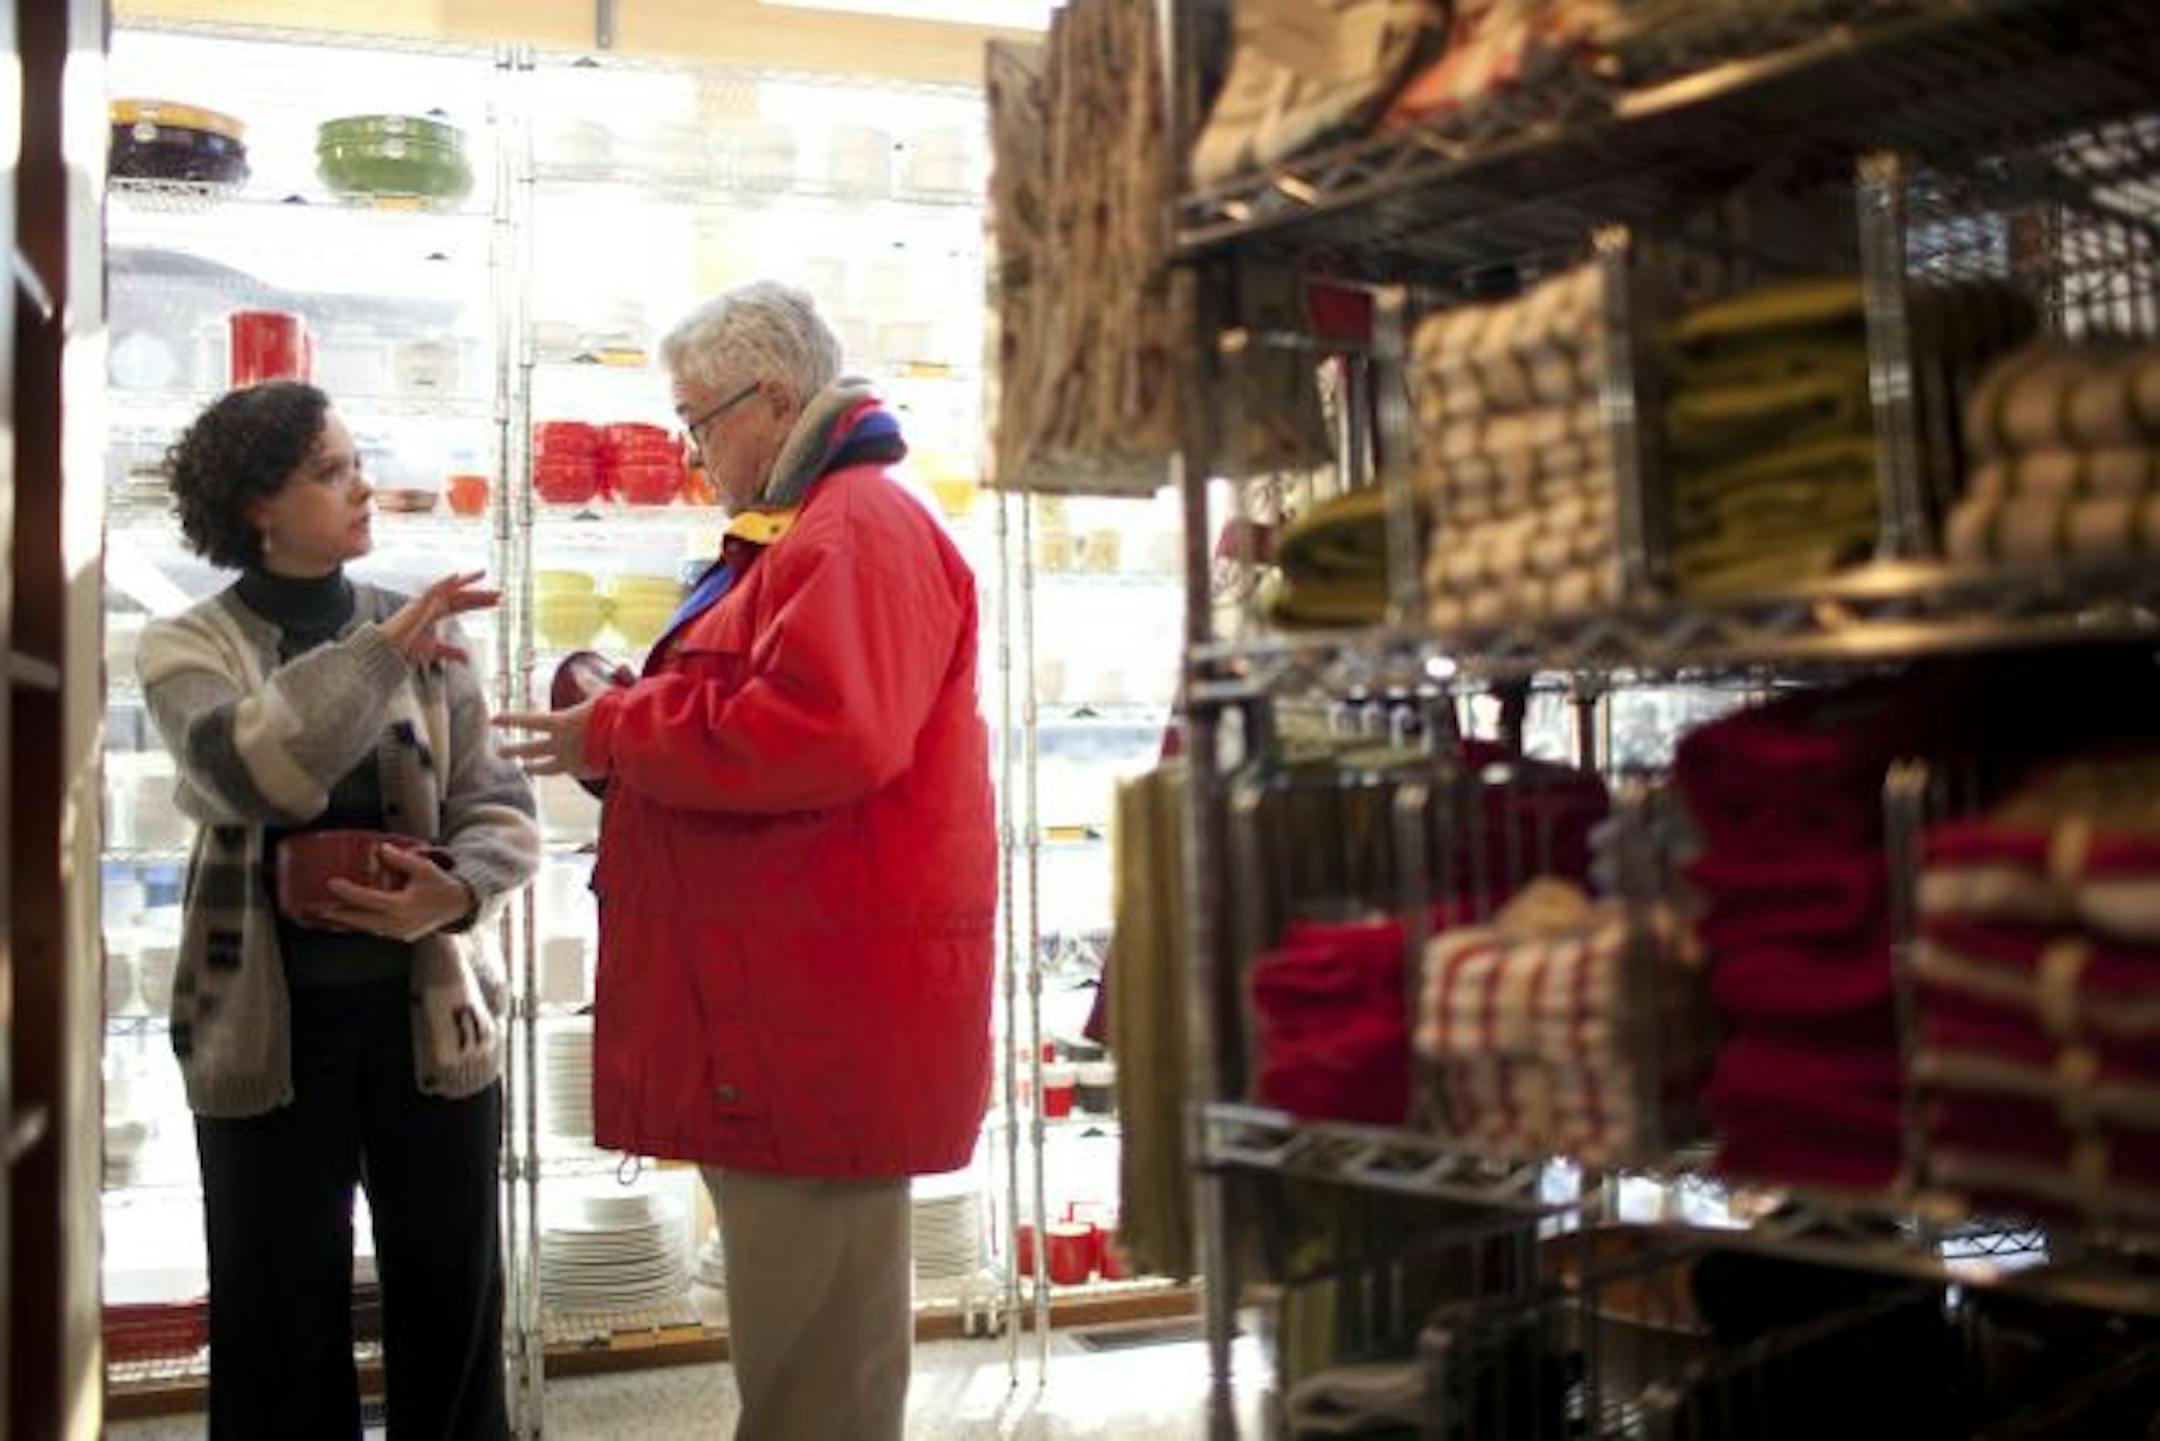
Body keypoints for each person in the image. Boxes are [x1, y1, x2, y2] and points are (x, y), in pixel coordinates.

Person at [495, 281, 995, 1440]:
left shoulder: (855, 527)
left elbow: (827, 731)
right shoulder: (820, 526)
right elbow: (774, 711)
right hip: (788, 1006)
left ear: (772, 398)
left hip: (812, 1014)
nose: (692, 455)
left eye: (698, 421)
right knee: (809, 1359)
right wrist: (630, 715)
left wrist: (617, 732)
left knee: (816, 1379)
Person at [135, 380, 539, 1438]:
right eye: (329, 470)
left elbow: (498, 806)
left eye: (356, 461)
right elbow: (253, 773)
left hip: (433, 1025)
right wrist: (381, 650)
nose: (362, 486)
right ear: (258, 507)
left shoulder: (426, 635)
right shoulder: (187, 646)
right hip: (265, 1032)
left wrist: (456, 892)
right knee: (276, 1319)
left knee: (452, 1300)